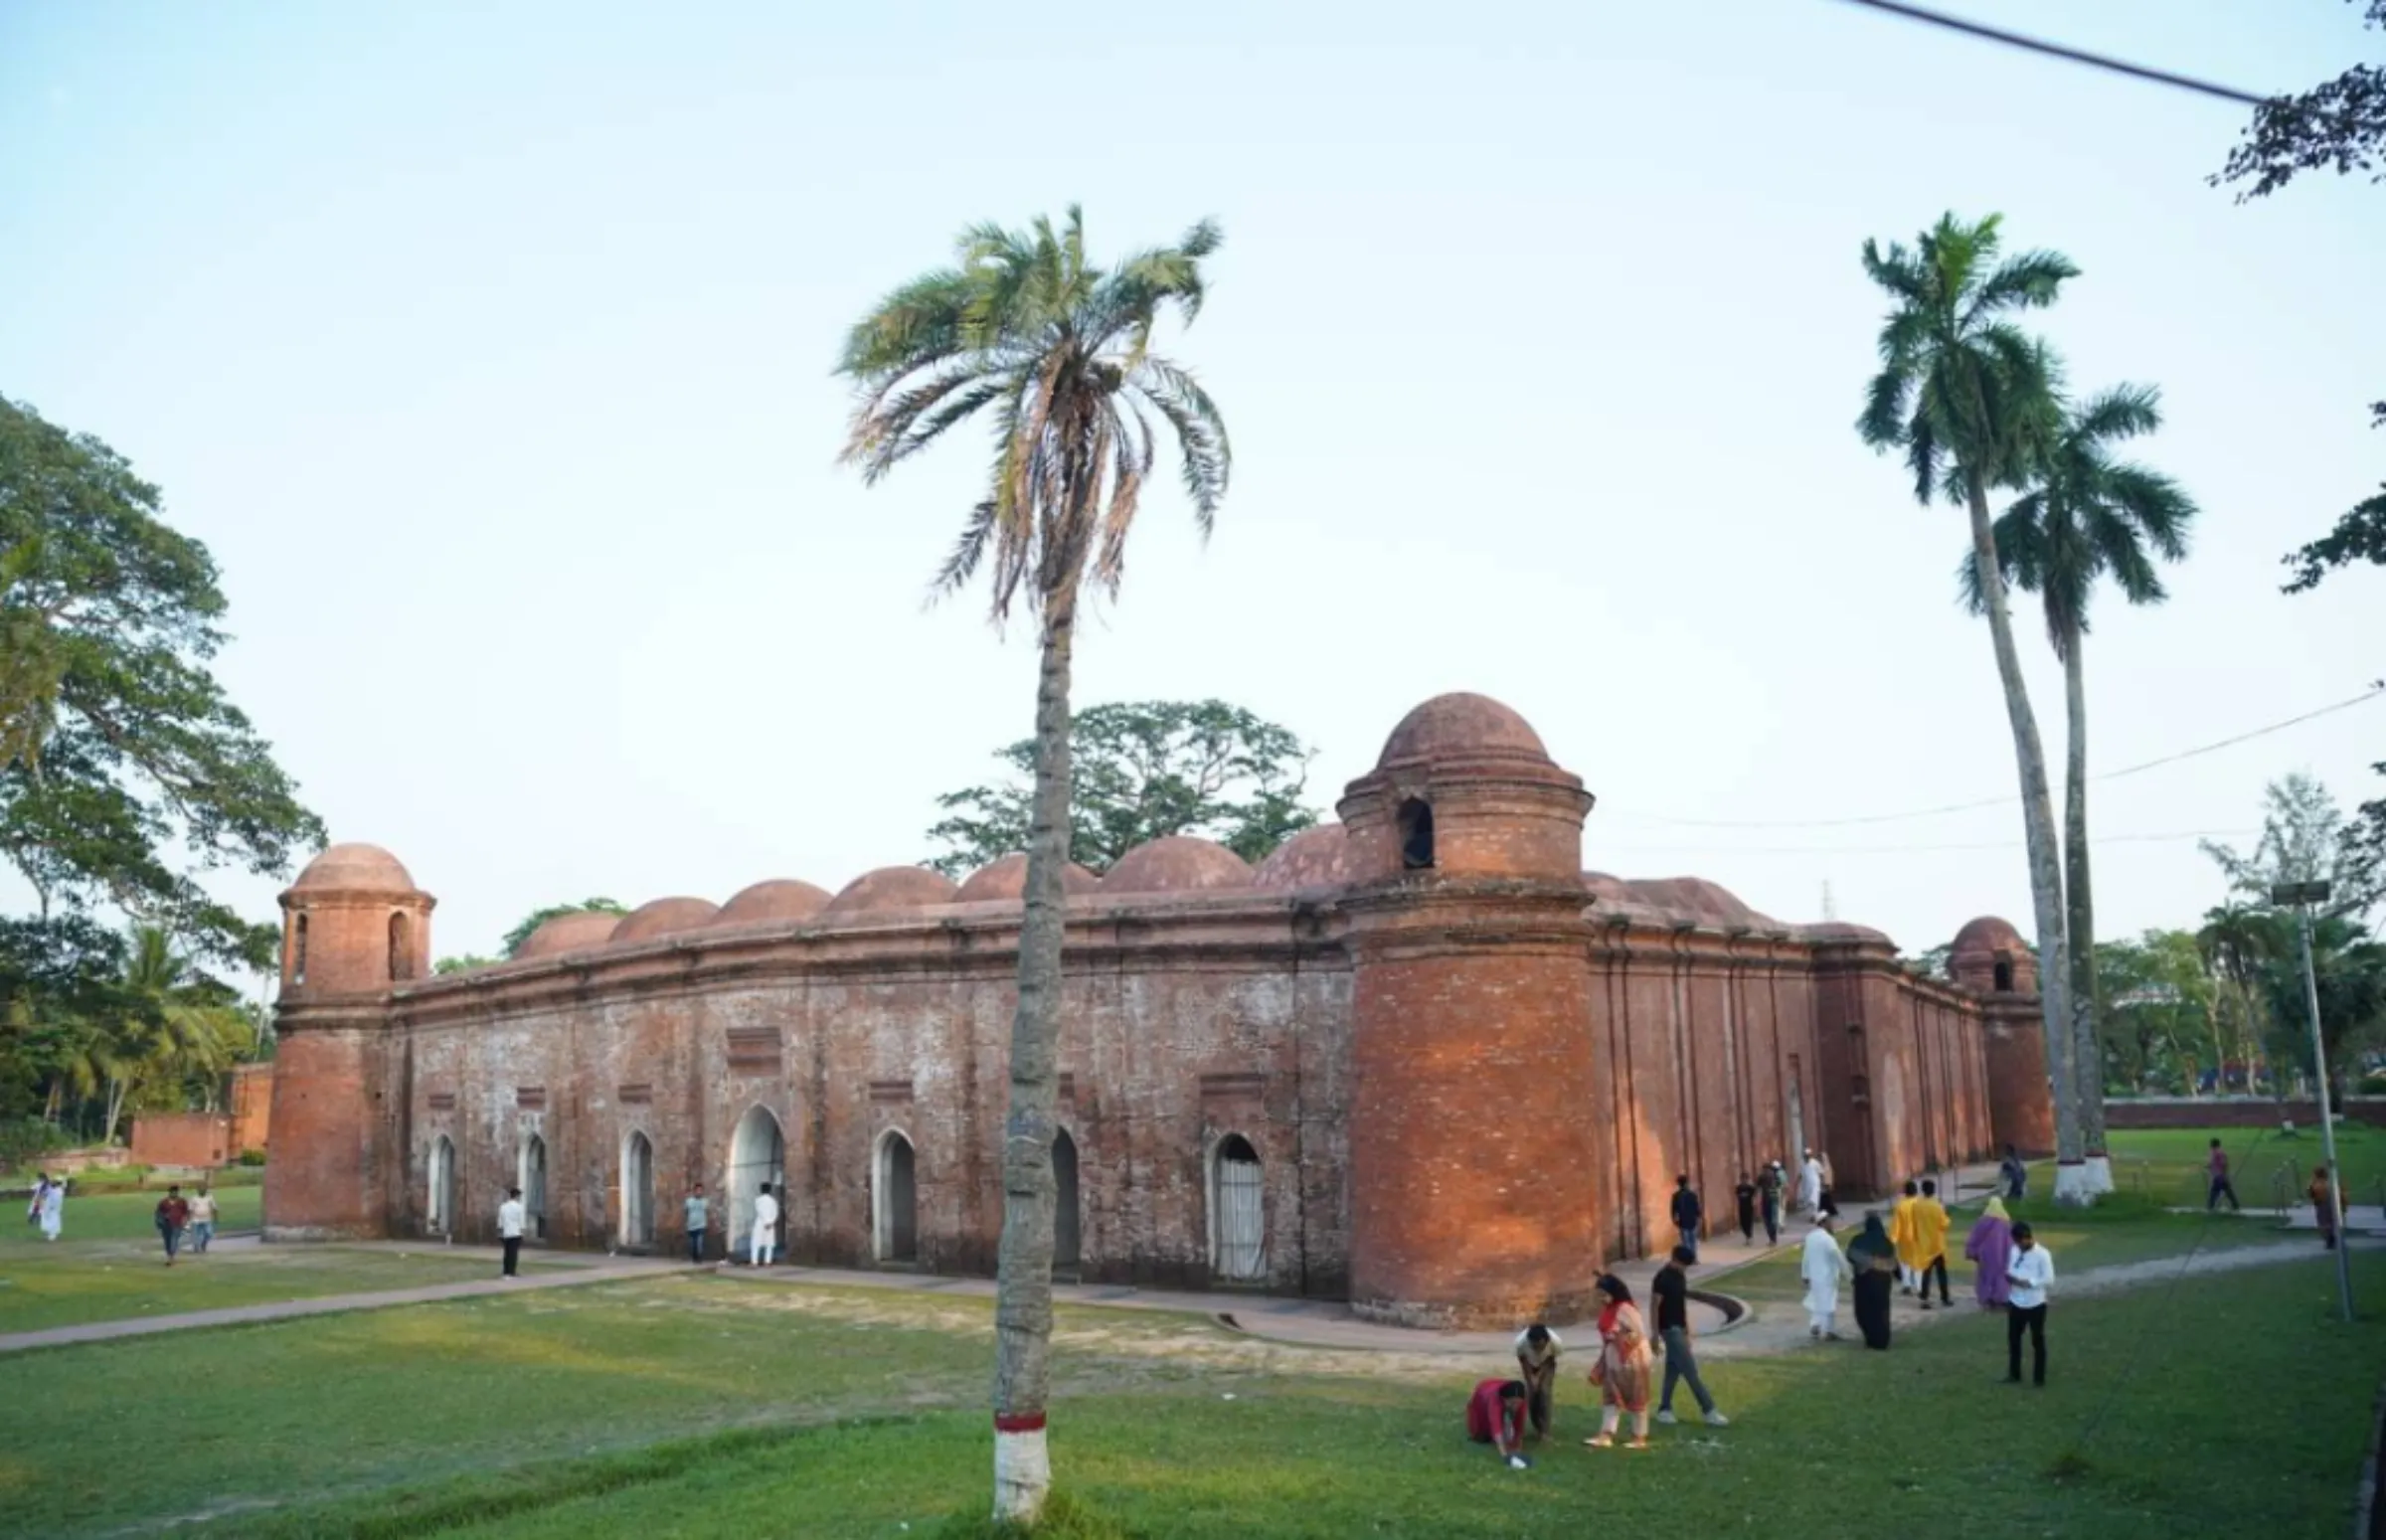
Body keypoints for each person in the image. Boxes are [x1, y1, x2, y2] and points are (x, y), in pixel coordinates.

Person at [1651, 1246, 1729, 1427]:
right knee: (1690, 1371)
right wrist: (1655, 1335)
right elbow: (1654, 1306)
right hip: (1669, 1329)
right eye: (1683, 1265)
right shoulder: (1662, 1278)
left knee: (1673, 1370)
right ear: (1675, 1260)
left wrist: (1687, 1328)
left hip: (1679, 1327)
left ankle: (1664, 1409)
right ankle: (1709, 1410)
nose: (1684, 1268)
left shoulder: (1680, 1276)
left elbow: (1680, 1303)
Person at [1584, 1274, 1655, 1450]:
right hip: (1612, 1359)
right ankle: (1606, 1434)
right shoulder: (1609, 1309)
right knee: (1610, 1397)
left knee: (1636, 1396)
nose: (1600, 1298)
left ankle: (1639, 1437)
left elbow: (1638, 1333)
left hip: (1632, 1360)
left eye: (1603, 1293)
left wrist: (1619, 1338)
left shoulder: (1626, 1309)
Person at [2004, 1220, 2054, 1385]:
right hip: (2015, 1301)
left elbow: (2049, 1279)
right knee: (2013, 1339)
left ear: (2027, 1238)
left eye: (2020, 1242)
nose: (2018, 1245)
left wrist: (2029, 1283)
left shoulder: (2043, 1254)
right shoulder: (2014, 1250)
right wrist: (2011, 1277)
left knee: (2037, 1340)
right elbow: (2011, 1268)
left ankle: (2039, 1378)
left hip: (2035, 1304)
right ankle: (2014, 1374)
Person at [1846, 1213, 1897, 1349]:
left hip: (1864, 1281)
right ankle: (1882, 1340)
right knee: (1881, 1311)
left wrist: (1867, 1263)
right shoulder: (1887, 1242)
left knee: (1864, 1311)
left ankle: (1870, 1338)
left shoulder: (1858, 1240)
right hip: (1882, 1282)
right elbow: (1893, 1263)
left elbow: (1850, 1255)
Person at [1800, 1211, 1846, 1340]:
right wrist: (1850, 1276)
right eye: (1830, 1221)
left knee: (1817, 1300)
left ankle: (1815, 1324)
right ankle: (1828, 1331)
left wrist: (1805, 1274)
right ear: (1824, 1223)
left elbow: (1806, 1258)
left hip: (1815, 1276)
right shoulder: (1828, 1239)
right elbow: (1839, 1257)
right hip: (1828, 1277)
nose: (1832, 1224)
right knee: (1829, 1303)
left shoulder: (1810, 1237)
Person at [1464, 1378, 1531, 1466]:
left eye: (1518, 1403)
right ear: (1504, 1399)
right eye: (1512, 1403)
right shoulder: (1495, 1398)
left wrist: (1517, 1446)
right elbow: (1496, 1427)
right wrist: (1505, 1455)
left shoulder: (1521, 1401)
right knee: (1481, 1434)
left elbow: (1520, 1424)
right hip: (1482, 1396)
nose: (1516, 1406)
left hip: (1500, 1390)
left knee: (1510, 1436)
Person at [1964, 1195, 2014, 1310]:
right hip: (2003, 1255)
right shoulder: (2005, 1221)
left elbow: (1975, 1237)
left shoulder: (1983, 1221)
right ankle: (2001, 1298)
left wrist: (1972, 1251)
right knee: (2001, 1276)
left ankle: (1986, 1298)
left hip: (1986, 1255)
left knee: (1985, 1276)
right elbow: (2010, 1240)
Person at [1512, 1323, 1562, 1441]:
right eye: (1534, 1347)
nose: (1537, 1350)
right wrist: (1531, 1378)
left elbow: (1550, 1360)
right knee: (1532, 1394)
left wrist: (1539, 1376)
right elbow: (1523, 1360)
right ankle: (1537, 1426)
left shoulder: (1555, 1342)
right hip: (1529, 1365)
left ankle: (1545, 1431)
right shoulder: (1521, 1342)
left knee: (1544, 1391)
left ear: (1546, 1341)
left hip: (1546, 1365)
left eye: (1540, 1347)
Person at [1913, 1179, 1952, 1309]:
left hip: (1924, 1244)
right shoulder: (1937, 1206)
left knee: (1926, 1273)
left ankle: (1924, 1299)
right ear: (1934, 1190)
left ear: (1922, 1190)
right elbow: (1944, 1224)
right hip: (1937, 1244)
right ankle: (1945, 1298)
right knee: (1941, 1273)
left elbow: (1914, 1223)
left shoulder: (1917, 1205)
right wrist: (1945, 1213)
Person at [1889, 1180, 1922, 1294]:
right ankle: (1919, 1286)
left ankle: (1906, 1284)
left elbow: (1896, 1225)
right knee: (1918, 1263)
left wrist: (1893, 1239)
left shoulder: (1900, 1206)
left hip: (1904, 1239)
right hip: (1919, 1238)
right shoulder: (1920, 1204)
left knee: (1904, 1262)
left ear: (1905, 1191)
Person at [154, 1184, 190, 1266]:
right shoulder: (163, 1202)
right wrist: (159, 1222)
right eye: (172, 1192)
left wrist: (185, 1221)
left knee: (174, 1240)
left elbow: (186, 1212)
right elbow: (158, 1213)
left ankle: (171, 1257)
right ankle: (169, 1255)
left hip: (177, 1224)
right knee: (167, 1241)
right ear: (169, 1193)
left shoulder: (182, 1201)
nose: (174, 1194)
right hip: (166, 1225)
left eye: (176, 1192)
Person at [1669, 1175, 1702, 1261]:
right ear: (1687, 1183)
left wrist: (1674, 1219)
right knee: (1693, 1241)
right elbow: (1697, 1207)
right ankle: (1693, 1258)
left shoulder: (1676, 1196)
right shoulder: (1692, 1195)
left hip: (1683, 1221)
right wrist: (1699, 1217)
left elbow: (1673, 1209)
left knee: (1686, 1241)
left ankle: (1689, 1258)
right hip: (1692, 1220)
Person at [2310, 1163, 2341, 1251]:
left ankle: (2330, 1240)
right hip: (2328, 1205)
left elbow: (2314, 1195)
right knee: (2329, 1223)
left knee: (2324, 1224)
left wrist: (2311, 1186)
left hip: (2323, 1206)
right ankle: (2331, 1240)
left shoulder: (2318, 1185)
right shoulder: (2328, 1183)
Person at [498, 1185, 526, 1278]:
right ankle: (512, 1271)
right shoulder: (519, 1207)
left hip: (506, 1232)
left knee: (507, 1252)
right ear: (517, 1196)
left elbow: (500, 1220)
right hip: (515, 1232)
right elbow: (521, 1220)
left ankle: (506, 1270)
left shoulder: (503, 1207)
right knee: (513, 1253)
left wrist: (500, 1230)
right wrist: (522, 1230)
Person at [2206, 1139, 2241, 1212]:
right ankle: (2236, 1206)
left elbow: (2216, 1163)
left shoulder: (2215, 1152)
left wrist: (2209, 1167)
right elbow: (2224, 1164)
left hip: (2218, 1176)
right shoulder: (2220, 1152)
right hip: (2221, 1175)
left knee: (2214, 1192)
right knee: (2228, 1191)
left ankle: (2210, 1207)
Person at [752, 1181, 780, 1267]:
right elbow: (775, 1212)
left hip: (760, 1222)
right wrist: (770, 1222)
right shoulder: (773, 1201)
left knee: (756, 1242)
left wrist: (765, 1221)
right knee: (769, 1243)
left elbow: (760, 1211)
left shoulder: (758, 1200)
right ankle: (767, 1261)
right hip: (770, 1224)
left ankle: (754, 1261)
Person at [1758, 1161, 1785, 1245]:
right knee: (1773, 1220)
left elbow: (1758, 1187)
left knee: (1767, 1220)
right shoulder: (1775, 1176)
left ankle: (1771, 1239)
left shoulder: (1761, 1176)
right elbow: (1780, 1186)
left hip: (1766, 1199)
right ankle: (1773, 1239)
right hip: (1774, 1199)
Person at [187, 1184, 218, 1255]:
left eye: (204, 1189)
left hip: (207, 1219)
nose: (202, 1190)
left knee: (208, 1233)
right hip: (195, 1219)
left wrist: (215, 1218)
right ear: (198, 1190)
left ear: (206, 1190)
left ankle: (203, 1243)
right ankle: (196, 1247)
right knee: (195, 1234)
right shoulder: (194, 1198)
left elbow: (214, 1208)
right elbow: (190, 1209)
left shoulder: (210, 1198)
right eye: (200, 1189)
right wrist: (188, 1219)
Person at [684, 1181, 710, 1264]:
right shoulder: (689, 1201)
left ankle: (699, 1258)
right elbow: (686, 1212)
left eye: (701, 1190)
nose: (699, 1192)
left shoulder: (705, 1201)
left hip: (701, 1225)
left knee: (699, 1242)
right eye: (697, 1190)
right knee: (693, 1244)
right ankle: (694, 1257)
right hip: (691, 1226)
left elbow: (707, 1211)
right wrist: (686, 1222)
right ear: (694, 1191)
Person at [1734, 1173, 1758, 1244]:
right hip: (1741, 1207)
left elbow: (1755, 1194)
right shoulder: (1739, 1188)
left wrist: (1755, 1203)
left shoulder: (1750, 1187)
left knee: (1749, 1223)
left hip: (1749, 1207)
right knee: (1742, 1223)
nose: (1743, 1181)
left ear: (1747, 1179)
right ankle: (1748, 1236)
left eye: (1745, 1179)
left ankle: (1749, 1237)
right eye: (1742, 1179)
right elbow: (1737, 1196)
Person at [37, 1173, 63, 1241]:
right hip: (49, 1207)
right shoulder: (53, 1189)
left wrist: (51, 1206)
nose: (53, 1182)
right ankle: (50, 1234)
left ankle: (52, 1235)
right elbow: (45, 1193)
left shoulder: (58, 1191)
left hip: (52, 1208)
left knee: (53, 1221)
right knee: (48, 1220)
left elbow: (55, 1200)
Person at [1798, 1149, 1824, 1214]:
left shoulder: (1815, 1163)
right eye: (1805, 1156)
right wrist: (1796, 1183)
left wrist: (1822, 1183)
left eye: (1808, 1156)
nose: (1806, 1157)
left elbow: (1821, 1173)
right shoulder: (1802, 1163)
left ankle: (1814, 1215)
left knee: (1814, 1200)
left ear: (1810, 1156)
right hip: (1806, 1185)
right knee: (1807, 1201)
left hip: (1815, 1184)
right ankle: (1811, 1215)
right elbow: (1800, 1174)